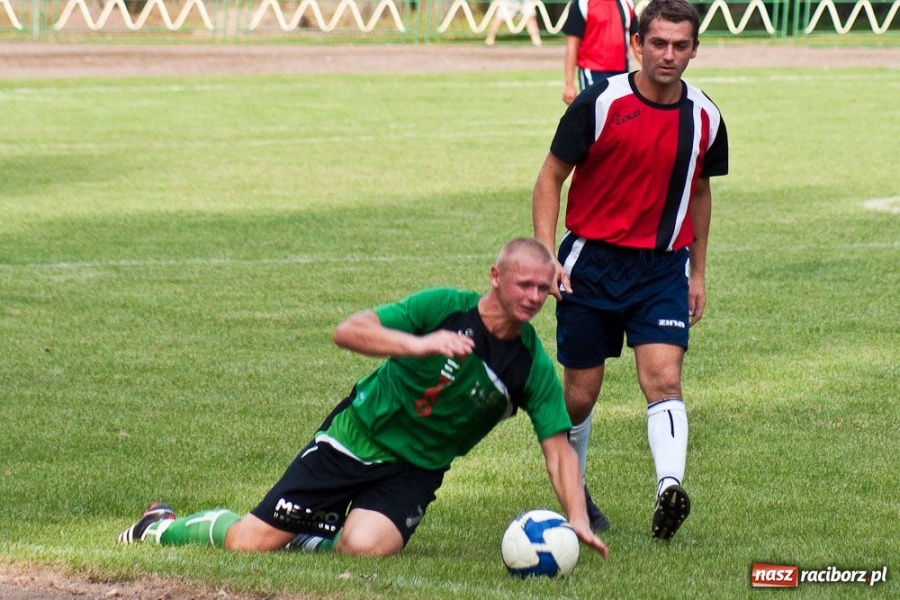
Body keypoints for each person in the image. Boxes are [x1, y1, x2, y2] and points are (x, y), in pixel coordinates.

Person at [116, 238, 609, 559]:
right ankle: (164, 524)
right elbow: (348, 331)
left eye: (544, 289)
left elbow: (558, 449)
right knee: (249, 544)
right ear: (496, 277)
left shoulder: (531, 366)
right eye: (524, 283)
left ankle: (311, 532)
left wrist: (577, 518)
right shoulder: (441, 308)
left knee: (365, 548)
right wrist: (419, 344)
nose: (533, 296)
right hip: (356, 438)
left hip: (417, 469)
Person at [532, 0, 729, 540]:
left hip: (662, 269)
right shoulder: (600, 102)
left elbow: (701, 191)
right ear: (638, 44)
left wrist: (697, 270)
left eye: (680, 45)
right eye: (658, 43)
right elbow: (551, 177)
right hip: (590, 266)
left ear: (695, 49)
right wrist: (547, 254)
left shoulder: (706, 117)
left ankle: (669, 488)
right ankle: (577, 494)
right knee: (580, 394)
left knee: (664, 379)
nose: (669, 55)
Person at [561, 0, 637, 105]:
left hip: (622, 73)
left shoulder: (626, 3)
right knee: (596, 115)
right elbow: (572, 45)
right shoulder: (582, 3)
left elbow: (637, 42)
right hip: (593, 72)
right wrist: (569, 84)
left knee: (620, 116)